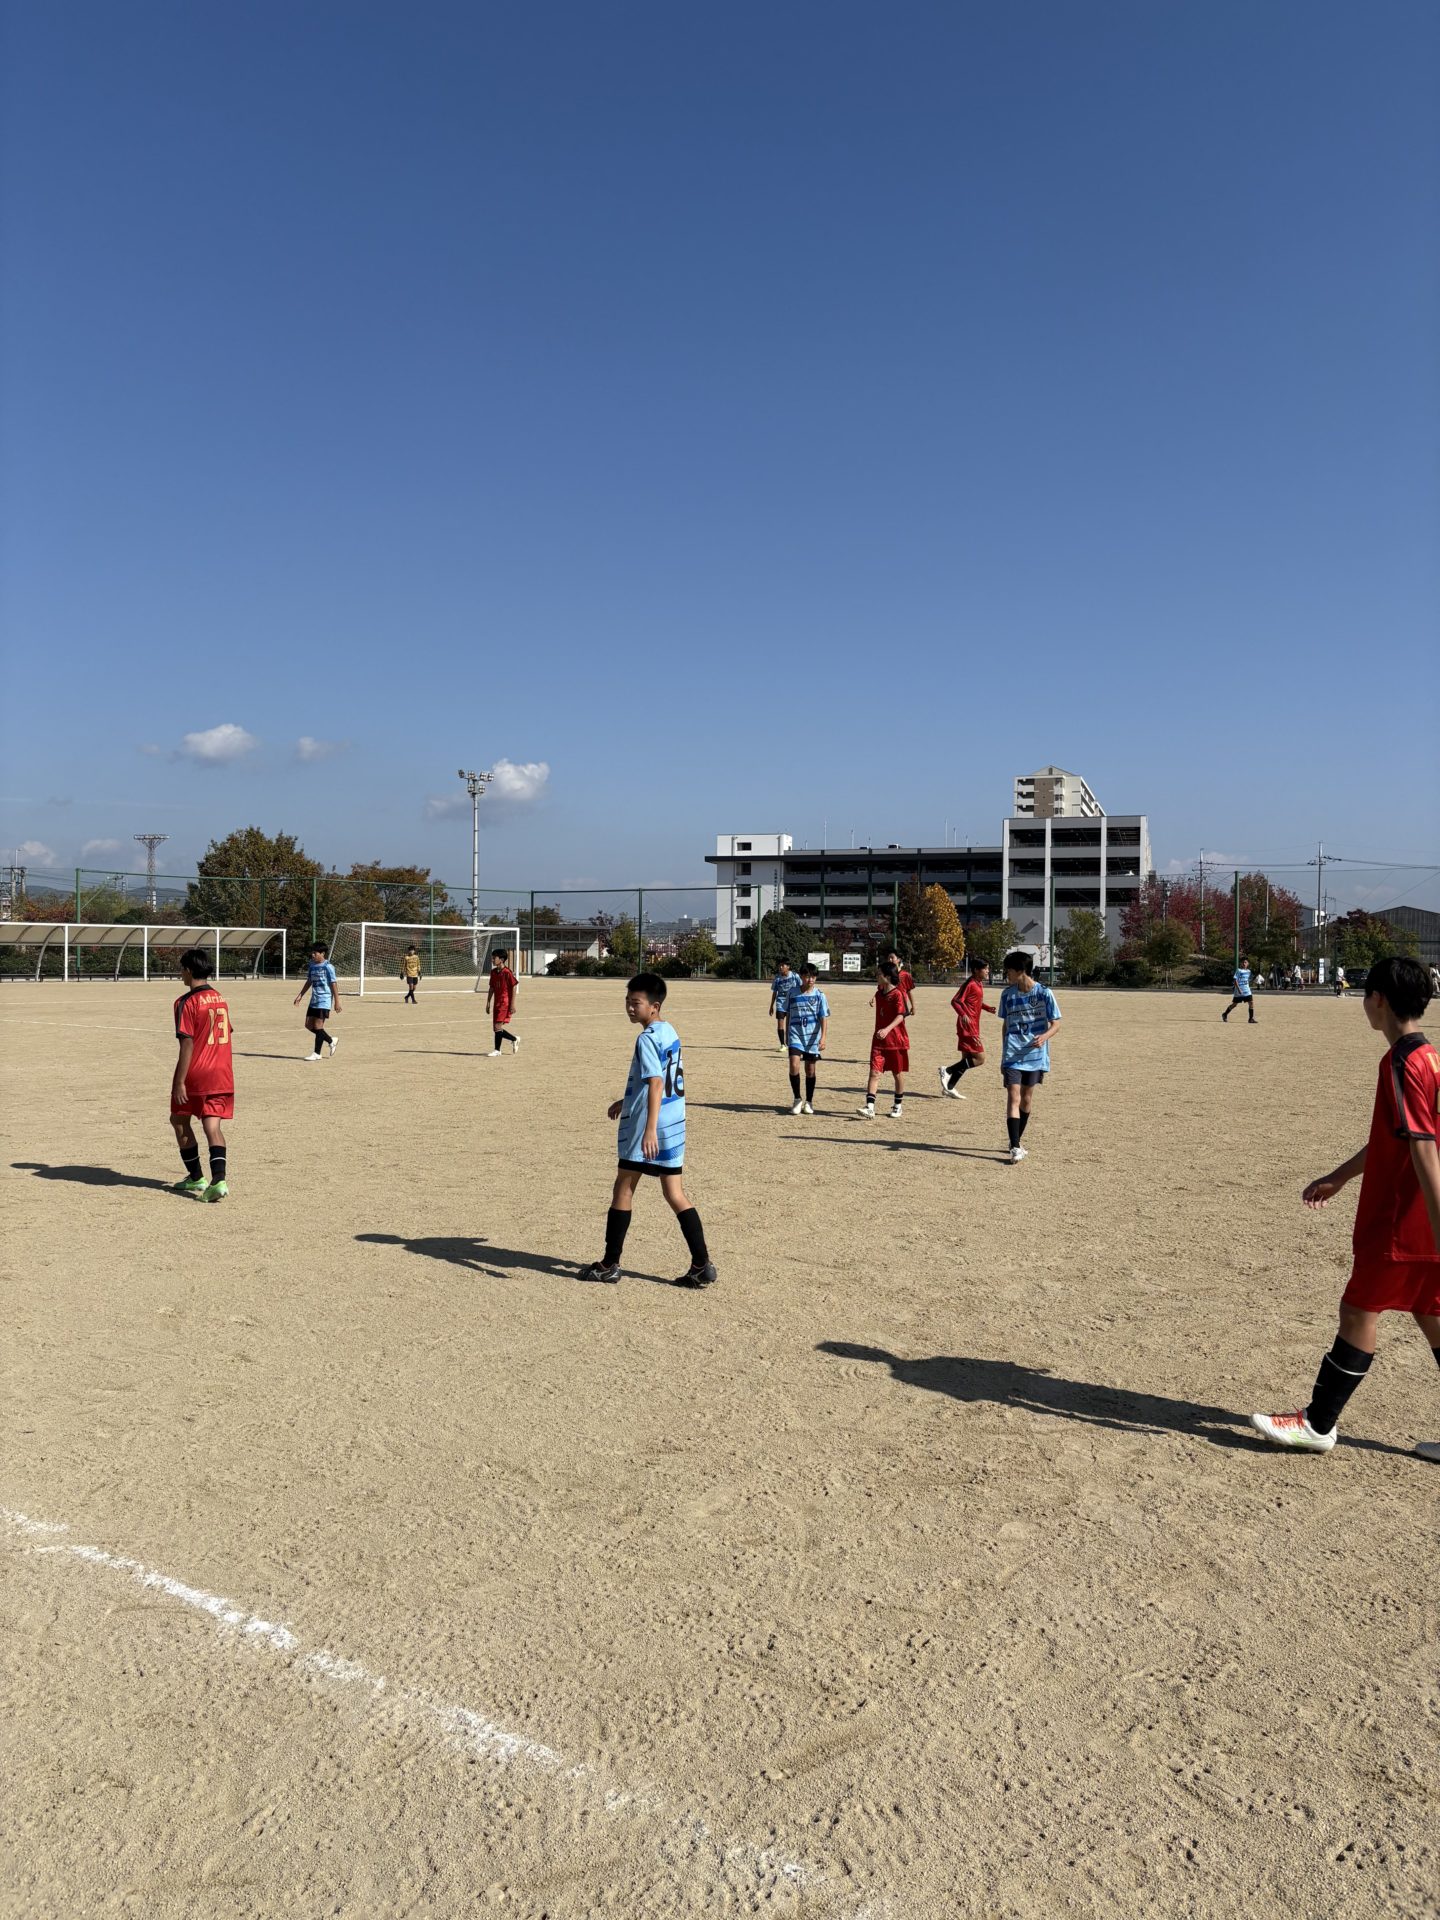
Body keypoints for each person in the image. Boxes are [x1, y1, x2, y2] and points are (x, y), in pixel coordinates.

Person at [1250, 957, 1439, 1461]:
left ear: (1378, 999)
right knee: (1431, 1313)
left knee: (1359, 1310)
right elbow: (1398, 1139)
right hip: (1422, 1219)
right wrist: (1340, 1176)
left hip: (1403, 1221)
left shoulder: (1401, 1062)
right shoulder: (1431, 1058)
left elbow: (1423, 1148)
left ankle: (1318, 1424)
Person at [579, 972, 716, 1288]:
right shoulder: (668, 1030)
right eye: (627, 1001)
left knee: (623, 1188)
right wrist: (626, 1100)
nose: (630, 1007)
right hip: (673, 1124)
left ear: (654, 1006)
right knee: (674, 1193)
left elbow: (655, 1083)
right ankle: (702, 1264)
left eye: (636, 1003)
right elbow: (661, 1080)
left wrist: (648, 1129)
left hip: (647, 1127)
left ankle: (609, 1264)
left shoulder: (646, 1038)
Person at [170, 948, 234, 1202]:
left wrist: (180, 1081)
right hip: (222, 1072)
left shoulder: (184, 1002)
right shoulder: (220, 998)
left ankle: (196, 1177)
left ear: (188, 970)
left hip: (196, 1073)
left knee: (179, 1120)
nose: (180, 974)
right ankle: (219, 1180)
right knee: (212, 1125)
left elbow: (187, 1044)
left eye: (181, 969)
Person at [998, 950, 1061, 1163]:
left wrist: (1044, 1037)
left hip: (1035, 1055)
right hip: (1013, 1055)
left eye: (1008, 970)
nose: (1006, 974)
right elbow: (1005, 1025)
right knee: (1013, 1096)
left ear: (1020, 971)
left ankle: (1015, 1139)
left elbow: (1056, 1024)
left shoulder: (1044, 993)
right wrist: (1003, 1056)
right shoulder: (1007, 995)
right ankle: (1015, 1147)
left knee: (1026, 1099)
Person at [939, 957, 997, 1099]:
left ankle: (949, 1087)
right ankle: (947, 1070)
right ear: (976, 970)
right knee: (980, 1058)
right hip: (968, 1026)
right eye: (985, 969)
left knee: (966, 1058)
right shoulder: (970, 984)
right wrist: (963, 1014)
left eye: (988, 968)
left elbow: (974, 1001)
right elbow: (955, 1001)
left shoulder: (978, 983)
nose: (988, 971)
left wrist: (986, 1008)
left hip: (973, 1024)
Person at [858, 961, 909, 1118]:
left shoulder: (897, 994)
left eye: (879, 973)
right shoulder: (879, 992)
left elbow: (901, 1015)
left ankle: (898, 1105)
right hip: (879, 1041)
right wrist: (873, 999)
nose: (876, 976)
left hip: (896, 1041)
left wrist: (887, 1030)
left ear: (887, 976)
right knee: (874, 1072)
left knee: (897, 1073)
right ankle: (869, 1107)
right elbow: (878, 994)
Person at [784, 963, 830, 1114]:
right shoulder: (792, 993)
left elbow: (823, 1017)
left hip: (812, 1037)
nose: (810, 980)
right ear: (801, 976)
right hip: (795, 1034)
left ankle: (809, 1101)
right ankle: (797, 1099)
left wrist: (823, 1037)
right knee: (794, 1065)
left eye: (813, 976)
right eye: (807, 976)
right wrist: (787, 1033)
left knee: (810, 1070)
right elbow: (788, 1013)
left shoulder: (820, 995)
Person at [294, 942, 340, 1058]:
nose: (313, 955)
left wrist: (337, 1002)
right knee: (308, 1025)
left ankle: (317, 1054)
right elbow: (309, 981)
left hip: (324, 1000)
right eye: (312, 953)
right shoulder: (312, 965)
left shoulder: (328, 967)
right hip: (314, 999)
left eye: (315, 953)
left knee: (318, 1026)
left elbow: (333, 984)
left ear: (322, 953)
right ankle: (331, 1040)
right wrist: (300, 995)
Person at [486, 950, 521, 1054]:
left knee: (497, 1027)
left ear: (501, 960)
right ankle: (514, 1039)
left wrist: (512, 1004)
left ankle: (497, 1050)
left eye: (494, 958)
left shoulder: (507, 972)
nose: (492, 960)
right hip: (496, 1003)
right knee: (496, 1028)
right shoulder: (493, 972)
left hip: (504, 1003)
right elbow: (491, 988)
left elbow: (514, 986)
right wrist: (488, 1002)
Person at [768, 958, 799, 1050]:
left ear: (788, 967)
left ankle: (790, 1043)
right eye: (780, 965)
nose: (780, 967)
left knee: (790, 1025)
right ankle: (782, 1045)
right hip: (780, 1003)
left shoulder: (795, 976)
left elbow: (801, 987)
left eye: (782, 965)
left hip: (792, 1003)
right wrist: (771, 1006)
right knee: (780, 1024)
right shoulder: (777, 978)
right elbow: (774, 993)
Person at [1223, 957, 1257, 1025]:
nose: (1244, 963)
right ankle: (1225, 1014)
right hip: (1239, 990)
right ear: (1241, 963)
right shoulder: (1239, 970)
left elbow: (1247, 980)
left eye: (1245, 962)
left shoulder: (1249, 971)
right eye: (1243, 962)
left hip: (1247, 990)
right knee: (1234, 1004)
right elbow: (1235, 980)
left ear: (1248, 963)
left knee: (1251, 1003)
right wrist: (1239, 989)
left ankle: (1251, 1019)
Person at [885, 948, 916, 1017]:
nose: (890, 960)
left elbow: (909, 992)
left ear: (898, 960)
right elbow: (882, 989)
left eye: (892, 957)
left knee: (899, 1022)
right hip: (889, 1004)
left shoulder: (906, 975)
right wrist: (874, 999)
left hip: (901, 1005)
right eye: (888, 958)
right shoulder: (886, 975)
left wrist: (913, 1006)